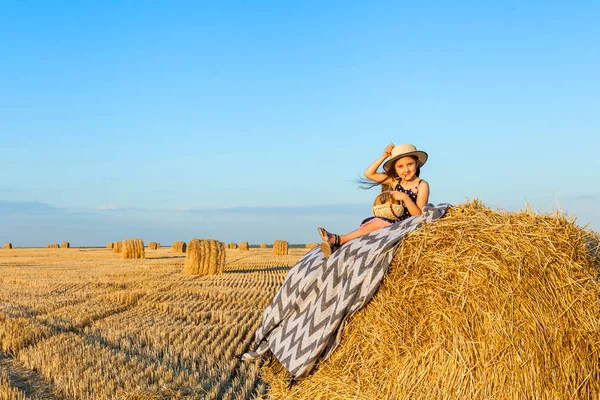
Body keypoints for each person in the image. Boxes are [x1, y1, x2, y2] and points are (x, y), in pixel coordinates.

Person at [318, 143, 430, 257]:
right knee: (372, 224)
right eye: (400, 166)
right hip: (393, 220)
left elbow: (419, 215)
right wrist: (384, 156)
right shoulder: (395, 181)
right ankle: (341, 244)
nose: (406, 169)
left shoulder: (422, 185)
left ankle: (338, 240)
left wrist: (405, 198)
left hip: (408, 224)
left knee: (377, 223)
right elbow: (368, 173)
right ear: (395, 169)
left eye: (410, 164)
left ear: (417, 163)